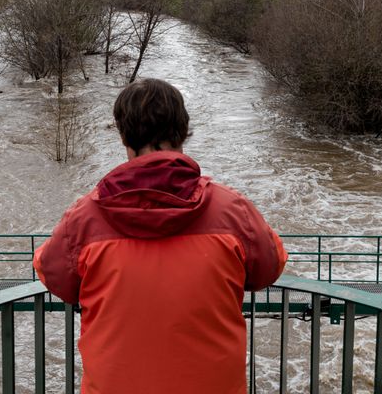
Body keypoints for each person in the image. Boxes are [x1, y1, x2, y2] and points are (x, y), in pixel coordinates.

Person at [33, 79, 287, 394]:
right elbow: (269, 267)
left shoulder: (84, 217)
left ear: (124, 136)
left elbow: (52, 273)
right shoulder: (233, 211)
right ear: (182, 131)